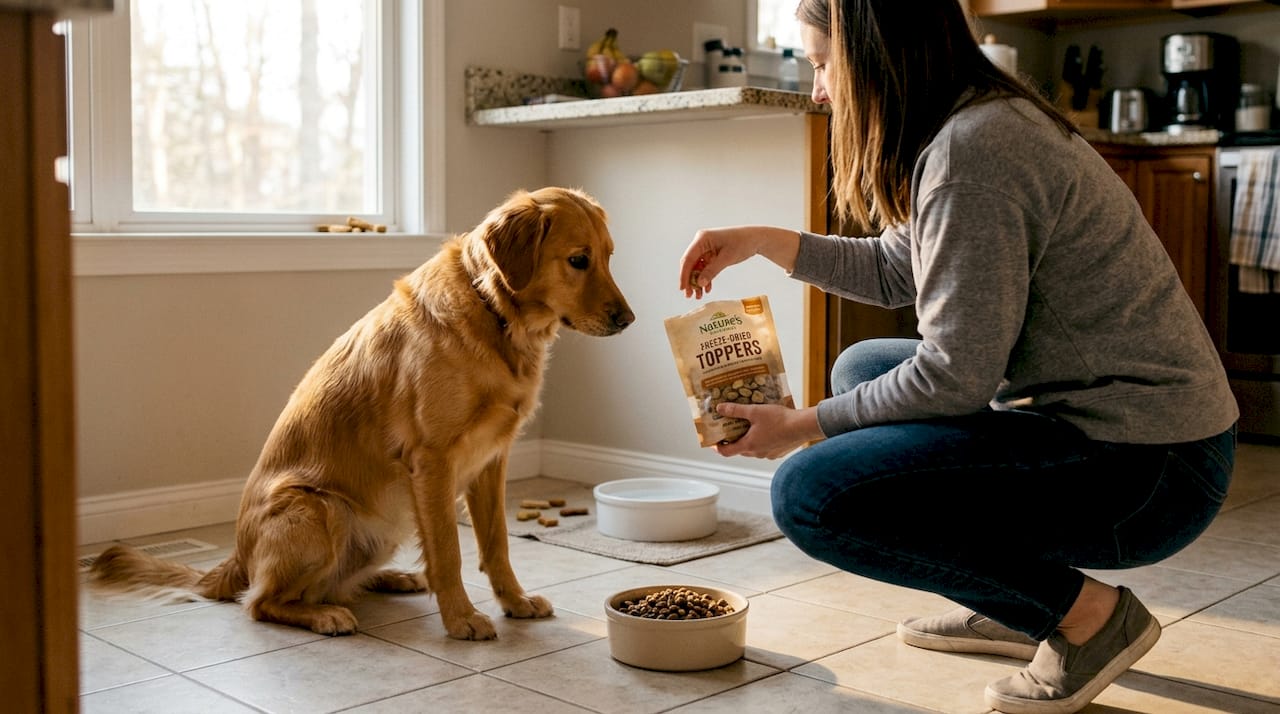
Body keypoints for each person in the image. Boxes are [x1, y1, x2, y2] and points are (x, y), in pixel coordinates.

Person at [676, 1, 1239, 712]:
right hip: (1134, 436)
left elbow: (954, 375)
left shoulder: (973, 151)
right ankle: (1016, 603)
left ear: (873, 52)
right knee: (862, 371)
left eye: (822, 64)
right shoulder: (974, 123)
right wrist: (762, 240)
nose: (818, 90)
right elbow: (895, 269)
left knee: (811, 496)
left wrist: (802, 426)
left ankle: (1086, 617)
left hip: (1152, 470)